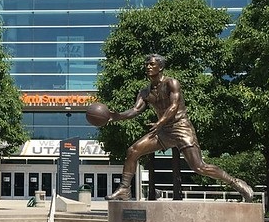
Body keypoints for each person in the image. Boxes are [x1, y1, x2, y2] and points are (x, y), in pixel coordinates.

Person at [104, 54, 253, 202]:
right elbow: (135, 110)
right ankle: (124, 189)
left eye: (152, 64)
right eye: (147, 65)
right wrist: (116, 116)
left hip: (181, 127)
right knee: (133, 151)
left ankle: (236, 183)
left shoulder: (171, 83)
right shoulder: (144, 92)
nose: (148, 67)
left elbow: (174, 106)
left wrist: (160, 122)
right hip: (163, 131)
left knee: (199, 167)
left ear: (160, 67)